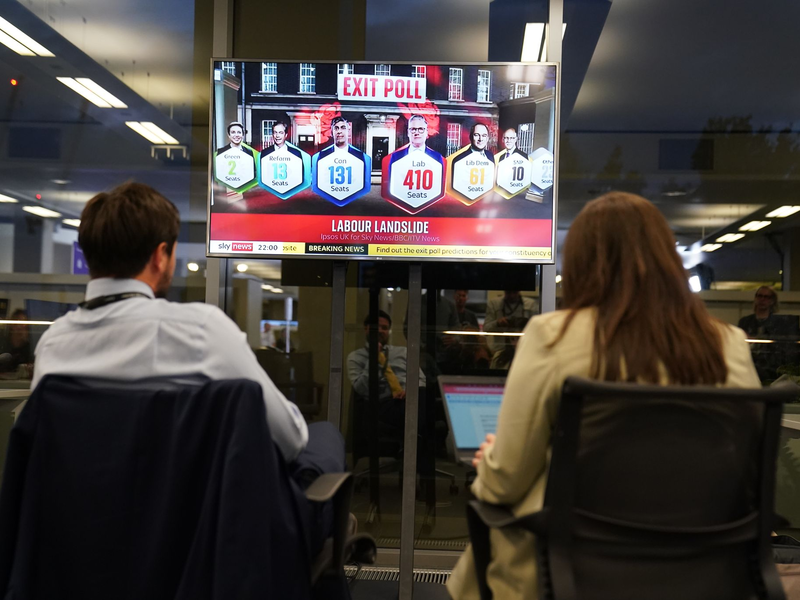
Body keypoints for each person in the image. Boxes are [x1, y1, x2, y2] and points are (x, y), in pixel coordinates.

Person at [446, 192, 761, 600]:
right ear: (668, 260)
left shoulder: (551, 335)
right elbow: (748, 473)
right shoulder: (729, 343)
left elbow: (505, 483)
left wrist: (492, 460)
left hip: (568, 575)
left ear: (579, 265)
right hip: (703, 574)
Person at [32, 182, 345, 544]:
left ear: (89, 255)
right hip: (197, 538)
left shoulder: (53, 348)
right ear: (159, 256)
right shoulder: (201, 332)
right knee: (322, 437)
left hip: (84, 538)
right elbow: (288, 440)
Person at [347, 310, 426, 432]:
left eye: (384, 328)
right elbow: (361, 389)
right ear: (365, 328)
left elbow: (420, 378)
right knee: (420, 412)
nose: (380, 331)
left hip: (412, 396)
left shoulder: (403, 352)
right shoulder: (356, 357)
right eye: (375, 327)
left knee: (437, 405)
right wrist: (374, 357)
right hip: (383, 403)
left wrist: (408, 390)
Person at [0, 308, 33, 376]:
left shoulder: (28, 348)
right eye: (17, 323)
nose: (20, 327)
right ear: (11, 325)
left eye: (23, 323)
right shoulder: (3, 345)